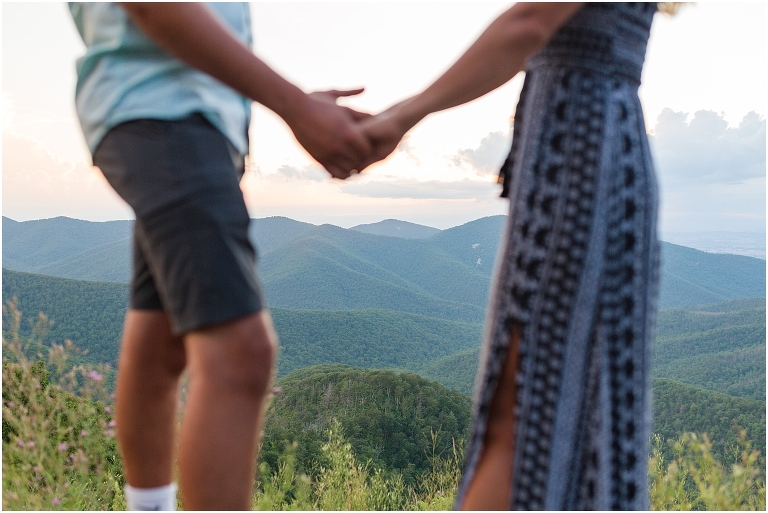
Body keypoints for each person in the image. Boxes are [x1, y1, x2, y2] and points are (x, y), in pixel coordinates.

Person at [360, 2, 665, 509]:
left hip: (579, 154)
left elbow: (528, 23)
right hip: (584, 148)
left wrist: (400, 117)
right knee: (557, 407)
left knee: (523, 411)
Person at [68, 3, 369, 510]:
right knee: (242, 354)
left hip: (182, 120)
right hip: (161, 113)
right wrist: (297, 107)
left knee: (159, 343)